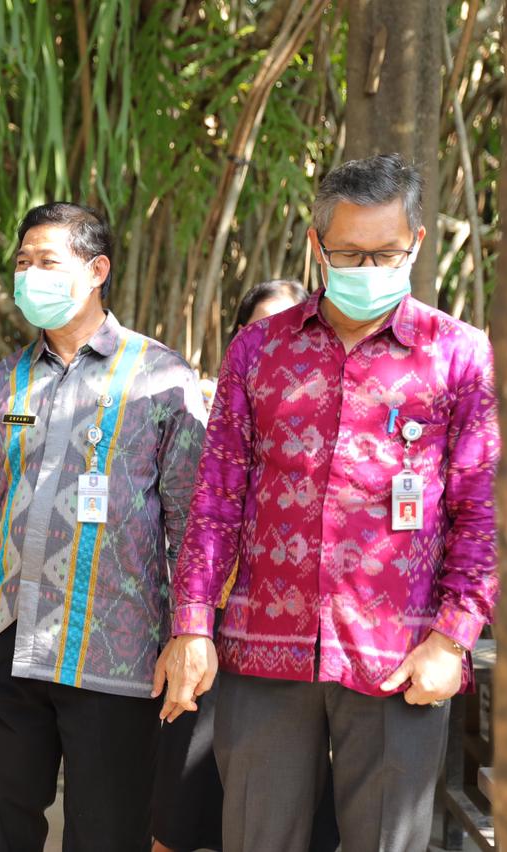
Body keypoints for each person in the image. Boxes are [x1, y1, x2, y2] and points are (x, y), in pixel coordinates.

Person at [161, 154, 500, 852]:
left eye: (386, 253)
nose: (368, 268)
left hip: (401, 655)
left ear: (418, 242)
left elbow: (484, 511)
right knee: (256, 836)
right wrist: (192, 625)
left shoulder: (458, 355)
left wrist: (453, 638)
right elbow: (216, 498)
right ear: (317, 246)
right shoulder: (258, 349)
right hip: (263, 648)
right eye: (349, 253)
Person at [0, 202, 208, 851]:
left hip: (117, 653)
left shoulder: (161, 378)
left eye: (48, 261)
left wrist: (190, 634)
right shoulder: (2, 385)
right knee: (4, 836)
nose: (31, 274)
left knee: (107, 836)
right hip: (7, 646)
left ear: (97, 270)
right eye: (23, 262)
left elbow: (193, 522)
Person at [149, 276, 340, 852]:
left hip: (291, 640)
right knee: (181, 799)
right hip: (210, 626)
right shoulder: (202, 404)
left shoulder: (334, 412)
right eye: (262, 326)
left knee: (286, 804)